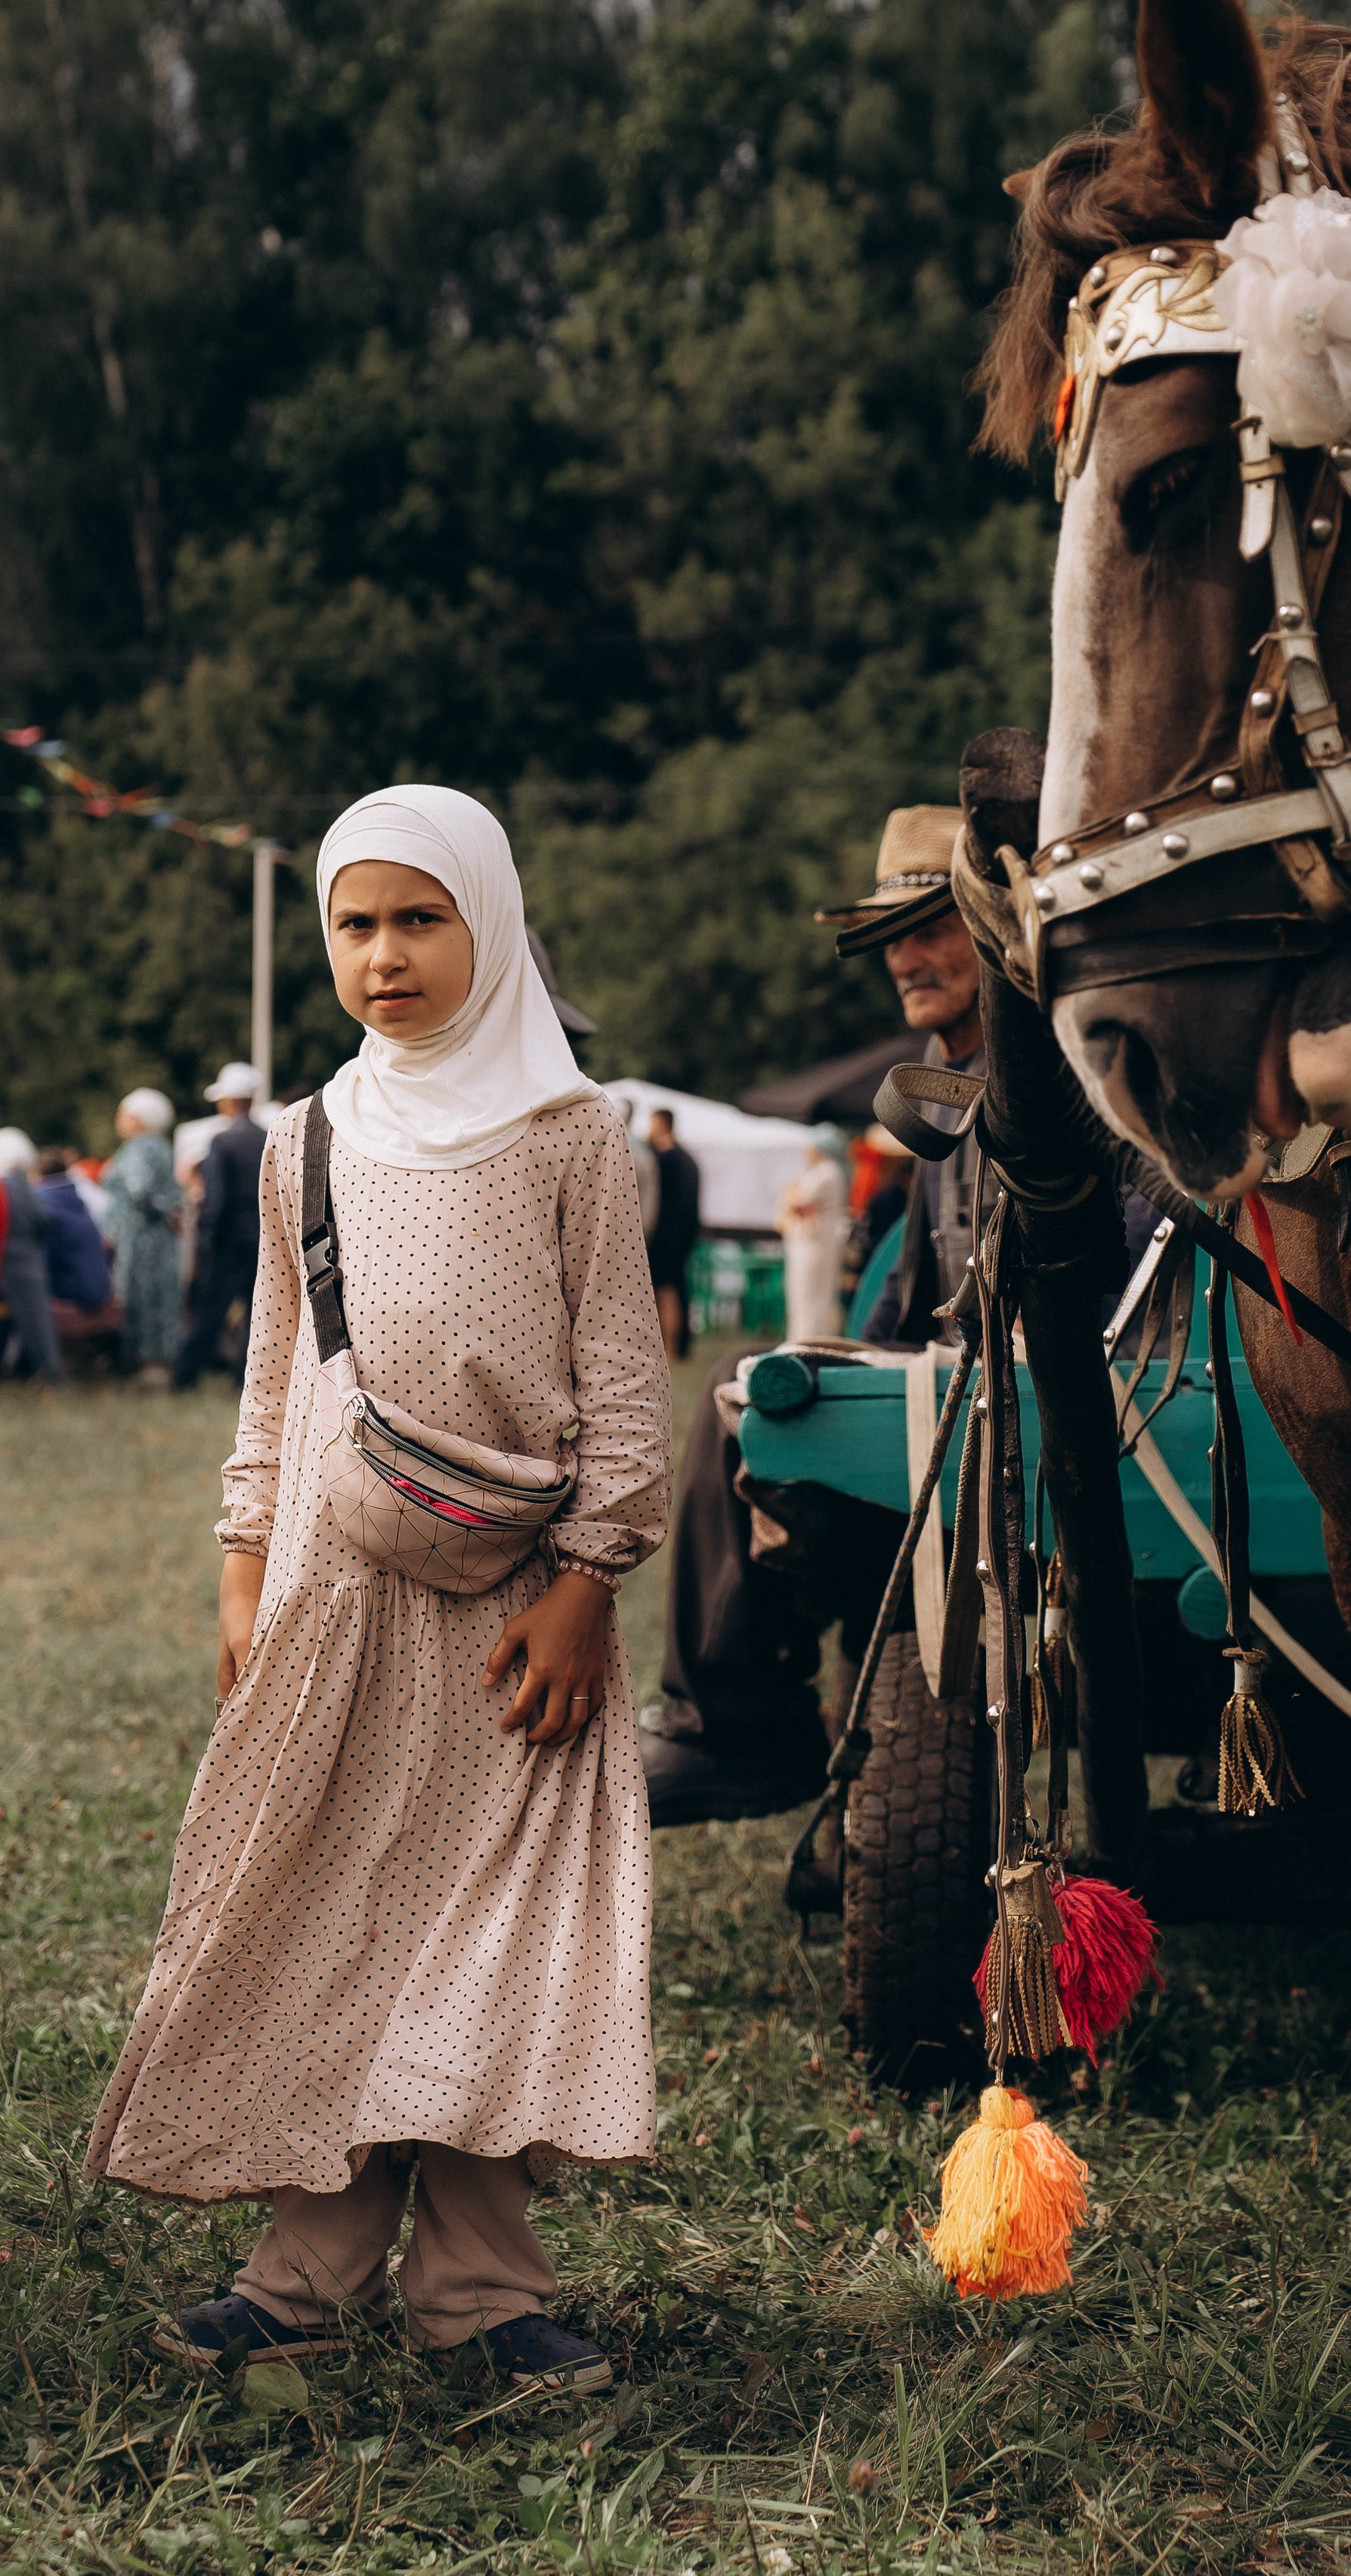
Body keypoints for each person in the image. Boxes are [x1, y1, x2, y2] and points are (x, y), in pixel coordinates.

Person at [87, 784, 671, 2397]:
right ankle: (306, 2270)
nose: (384, 953)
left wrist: (588, 1579)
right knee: (329, 1912)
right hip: (333, 1598)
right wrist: (240, 1562)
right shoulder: (310, 1137)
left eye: (420, 918)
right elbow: (277, 1382)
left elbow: (625, 1390)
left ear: (491, 926)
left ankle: (481, 2290)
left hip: (516, 1614)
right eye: (356, 922)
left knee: (489, 1926)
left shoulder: (572, 1135)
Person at [639, 806, 982, 1823]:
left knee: (740, 1392)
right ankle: (773, 1731)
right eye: (890, 940)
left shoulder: (1056, 1069)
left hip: (1045, 1397)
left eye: (932, 927)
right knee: (764, 1388)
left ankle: (738, 1732)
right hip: (946, 1386)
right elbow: (901, 1285)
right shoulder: (941, 1079)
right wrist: (839, 1379)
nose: (906, 959)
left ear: (1001, 929)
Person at [172, 1066, 267, 1393]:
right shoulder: (268, 1136)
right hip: (263, 1238)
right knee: (257, 1316)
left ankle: (185, 1377)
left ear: (227, 1101)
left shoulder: (222, 1140)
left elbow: (216, 1197)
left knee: (210, 1311)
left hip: (227, 1239)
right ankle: (244, 1379)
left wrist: (205, 1238)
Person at [104, 1090, 184, 1387]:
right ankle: (158, 1360)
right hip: (156, 1236)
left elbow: (140, 1189)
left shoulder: (140, 1148)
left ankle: (147, 1362)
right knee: (160, 1295)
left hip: (140, 1237)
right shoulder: (159, 1146)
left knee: (141, 1295)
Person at [0, 1127, 63, 1385]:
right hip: (24, 1262)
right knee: (36, 1324)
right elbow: (42, 1218)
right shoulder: (20, 1184)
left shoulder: (8, 1185)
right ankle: (51, 1376)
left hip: (11, 1260)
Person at [779, 1133, 848, 1341]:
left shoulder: (826, 1173)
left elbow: (796, 1199)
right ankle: (805, 1338)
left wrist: (791, 1193)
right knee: (806, 1296)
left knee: (809, 1296)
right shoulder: (825, 1173)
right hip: (812, 1243)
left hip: (814, 1245)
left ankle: (809, 1340)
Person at [645, 1106, 700, 1362]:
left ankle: (667, 1349)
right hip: (683, 1235)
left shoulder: (665, 1160)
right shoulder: (689, 1159)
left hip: (665, 1235)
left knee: (665, 1293)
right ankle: (676, 1347)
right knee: (676, 1290)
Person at [33, 1149, 115, 1311]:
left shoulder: (45, 1203)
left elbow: (42, 1258)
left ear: (37, 1173)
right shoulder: (74, 1197)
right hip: (100, 1287)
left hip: (77, 1293)